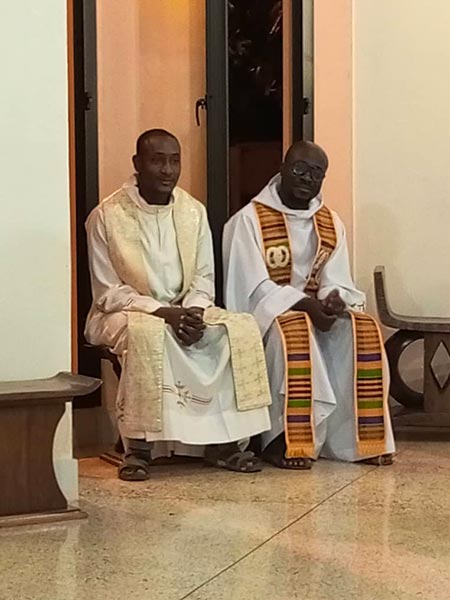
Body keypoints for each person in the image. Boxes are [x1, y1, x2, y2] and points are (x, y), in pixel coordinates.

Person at [85, 128, 271, 480]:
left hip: (184, 309)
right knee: (148, 335)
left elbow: (204, 277)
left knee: (236, 330)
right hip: (124, 312)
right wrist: (162, 312)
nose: (168, 170)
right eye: (157, 161)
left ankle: (225, 443)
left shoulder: (193, 212)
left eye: (174, 161)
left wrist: (194, 312)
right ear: (137, 163)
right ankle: (138, 447)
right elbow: (107, 292)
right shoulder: (106, 215)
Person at [223, 141, 395, 469]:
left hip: (315, 312)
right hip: (271, 317)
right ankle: (284, 440)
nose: (307, 178)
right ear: (283, 169)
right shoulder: (249, 220)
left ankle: (357, 442)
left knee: (363, 329)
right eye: (300, 169)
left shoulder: (329, 222)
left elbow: (336, 277)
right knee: (294, 329)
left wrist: (333, 300)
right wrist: (302, 304)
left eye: (316, 173)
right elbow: (251, 288)